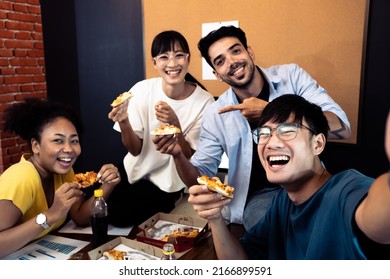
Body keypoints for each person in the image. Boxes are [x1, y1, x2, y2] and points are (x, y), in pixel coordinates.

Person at [157, 25, 351, 230]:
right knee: (266, 227)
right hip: (261, 197)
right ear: (217, 74)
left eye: (236, 51)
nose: (232, 62)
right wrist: (178, 154)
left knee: (338, 223)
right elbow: (199, 176)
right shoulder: (216, 114)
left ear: (249, 52)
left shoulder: (291, 77)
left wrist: (270, 112)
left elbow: (343, 126)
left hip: (311, 182)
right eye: (220, 61)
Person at [187, 94, 390, 259]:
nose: (271, 142)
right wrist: (214, 218)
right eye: (264, 133)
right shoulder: (282, 203)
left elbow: (380, 221)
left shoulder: (345, 189)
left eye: (287, 131)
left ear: (317, 144)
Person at [107, 30, 215, 227]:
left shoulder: (205, 102)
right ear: (155, 63)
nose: (172, 64)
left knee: (119, 217)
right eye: (164, 57)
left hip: (168, 182)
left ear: (188, 59)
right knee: (95, 204)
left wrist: (176, 126)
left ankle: (173, 199)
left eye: (179, 55)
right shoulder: (141, 90)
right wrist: (124, 122)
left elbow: (189, 155)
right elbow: (135, 150)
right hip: (134, 169)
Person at [0, 98, 121, 259]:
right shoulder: (22, 177)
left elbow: (79, 216)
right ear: (36, 146)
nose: (69, 149)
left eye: (74, 141)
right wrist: (51, 215)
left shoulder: (64, 171)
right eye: (58, 140)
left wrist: (108, 185)